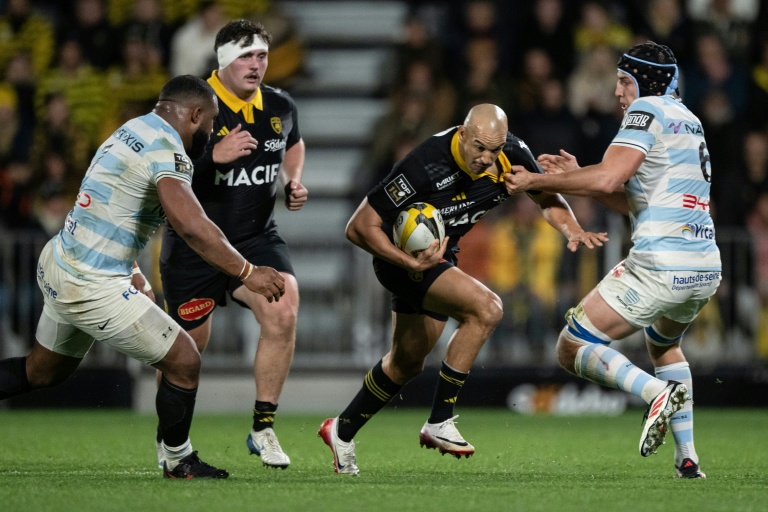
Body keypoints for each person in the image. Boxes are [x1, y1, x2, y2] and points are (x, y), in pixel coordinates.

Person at [0, 75, 286, 479]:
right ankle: (177, 460)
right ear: (195, 114)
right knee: (185, 359)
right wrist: (248, 271)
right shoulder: (169, 151)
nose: (211, 132)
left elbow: (111, 202)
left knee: (41, 371)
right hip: (90, 282)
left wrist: (132, 268)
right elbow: (190, 225)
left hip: (61, 259)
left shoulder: (132, 128)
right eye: (211, 122)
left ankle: (176, 457)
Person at [318, 103, 608, 475]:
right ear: (462, 133)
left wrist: (571, 229)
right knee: (487, 308)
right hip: (402, 261)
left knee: (406, 363)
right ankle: (440, 421)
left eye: (495, 150)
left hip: (438, 258)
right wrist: (408, 263)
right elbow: (359, 226)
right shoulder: (424, 164)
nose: (487, 159)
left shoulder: (511, 153)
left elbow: (547, 196)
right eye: (480, 148)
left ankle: (340, 430)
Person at [505, 41, 720, 479]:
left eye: (625, 81)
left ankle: (655, 393)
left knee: (572, 344)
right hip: (703, 265)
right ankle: (688, 459)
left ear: (646, 82)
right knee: (664, 344)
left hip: (660, 262)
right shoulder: (689, 121)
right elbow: (632, 198)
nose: (618, 92)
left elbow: (608, 175)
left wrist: (539, 179)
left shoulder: (647, 111)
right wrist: (578, 174)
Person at [159, 19, 307, 470]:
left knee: (284, 304)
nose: (256, 64)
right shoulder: (193, 106)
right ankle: (171, 444)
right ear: (222, 58)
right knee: (185, 350)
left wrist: (292, 180)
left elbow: (294, 143)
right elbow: (159, 169)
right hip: (195, 244)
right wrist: (210, 158)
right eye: (246, 55)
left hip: (255, 237)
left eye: (262, 55)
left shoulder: (280, 104)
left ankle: (263, 429)